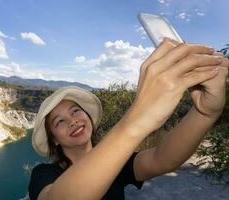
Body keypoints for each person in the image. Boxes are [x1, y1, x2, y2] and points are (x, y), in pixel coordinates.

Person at [28, 38, 229, 200]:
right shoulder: (44, 174)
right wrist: (136, 120)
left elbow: (163, 159)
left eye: (75, 111)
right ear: (53, 138)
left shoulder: (118, 162)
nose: (72, 120)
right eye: (59, 121)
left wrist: (205, 113)